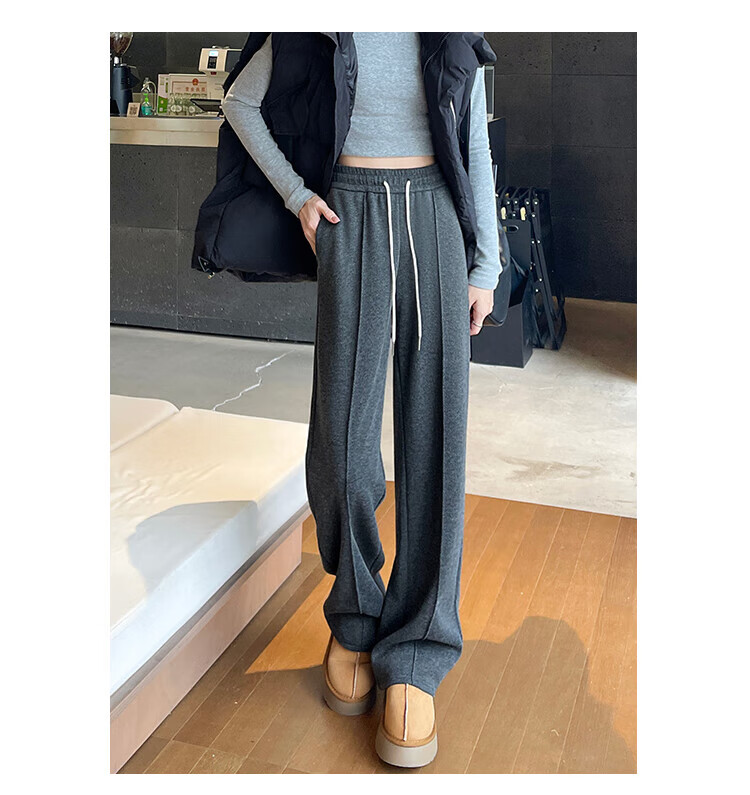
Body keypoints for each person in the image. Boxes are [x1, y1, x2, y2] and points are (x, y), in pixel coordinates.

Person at [221, 31, 501, 768]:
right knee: (342, 451)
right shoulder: (315, 24)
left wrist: (487, 264)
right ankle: (354, 615)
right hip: (349, 218)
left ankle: (417, 649)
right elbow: (240, 101)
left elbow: (473, 137)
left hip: (436, 218)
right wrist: (298, 196)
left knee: (436, 442)